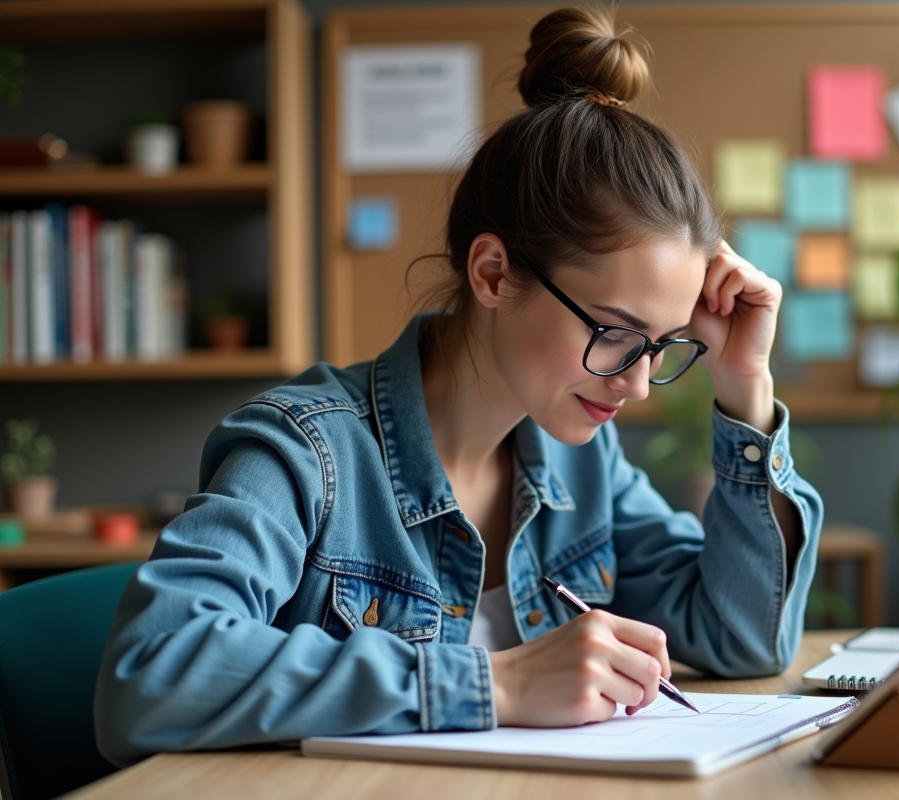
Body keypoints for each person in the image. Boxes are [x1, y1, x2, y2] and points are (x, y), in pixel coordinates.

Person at [94, 6, 823, 766]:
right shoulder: (307, 453)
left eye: (664, 346)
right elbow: (148, 674)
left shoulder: (580, 460)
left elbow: (745, 639)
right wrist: (495, 684)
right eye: (614, 333)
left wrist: (746, 385)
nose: (639, 384)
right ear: (493, 274)